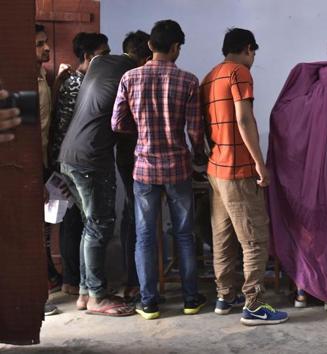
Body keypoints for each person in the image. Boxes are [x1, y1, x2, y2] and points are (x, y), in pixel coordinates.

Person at [111, 20, 207, 320]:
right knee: (184, 233)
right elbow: (195, 130)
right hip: (178, 168)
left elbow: (117, 122)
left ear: (150, 46)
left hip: (144, 167)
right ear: (176, 47)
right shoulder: (189, 81)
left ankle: (149, 303)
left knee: (145, 235)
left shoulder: (130, 78)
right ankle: (191, 299)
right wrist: (199, 158)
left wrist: (139, 132)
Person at [58, 31, 152, 317]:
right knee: (99, 225)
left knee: (91, 224)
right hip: (91, 158)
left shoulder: (99, 63)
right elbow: (130, 122)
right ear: (145, 57)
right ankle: (97, 296)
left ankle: (87, 293)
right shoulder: (131, 75)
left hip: (68, 154)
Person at [201, 27, 288, 326]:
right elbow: (244, 118)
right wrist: (260, 164)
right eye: (253, 53)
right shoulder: (239, 73)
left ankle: (225, 296)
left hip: (216, 169)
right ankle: (254, 303)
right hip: (238, 170)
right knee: (255, 239)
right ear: (248, 49)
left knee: (222, 237)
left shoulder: (209, 77)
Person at [49, 32, 110, 296]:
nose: (107, 58)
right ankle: (73, 281)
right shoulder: (76, 84)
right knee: (77, 221)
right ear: (88, 56)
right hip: (71, 162)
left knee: (81, 221)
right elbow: (64, 127)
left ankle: (76, 283)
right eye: (103, 53)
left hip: (68, 160)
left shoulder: (83, 80)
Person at [113, 31, 153, 304]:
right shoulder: (134, 75)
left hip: (127, 156)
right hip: (139, 157)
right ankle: (137, 283)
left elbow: (117, 122)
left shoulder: (122, 77)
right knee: (141, 221)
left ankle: (135, 283)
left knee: (133, 217)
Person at [35, 24, 62, 316]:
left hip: (42, 161)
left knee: (42, 228)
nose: (46, 48)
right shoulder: (21, 80)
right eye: (39, 44)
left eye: (45, 42)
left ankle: (47, 282)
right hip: (27, 166)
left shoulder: (42, 76)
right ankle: (34, 299)